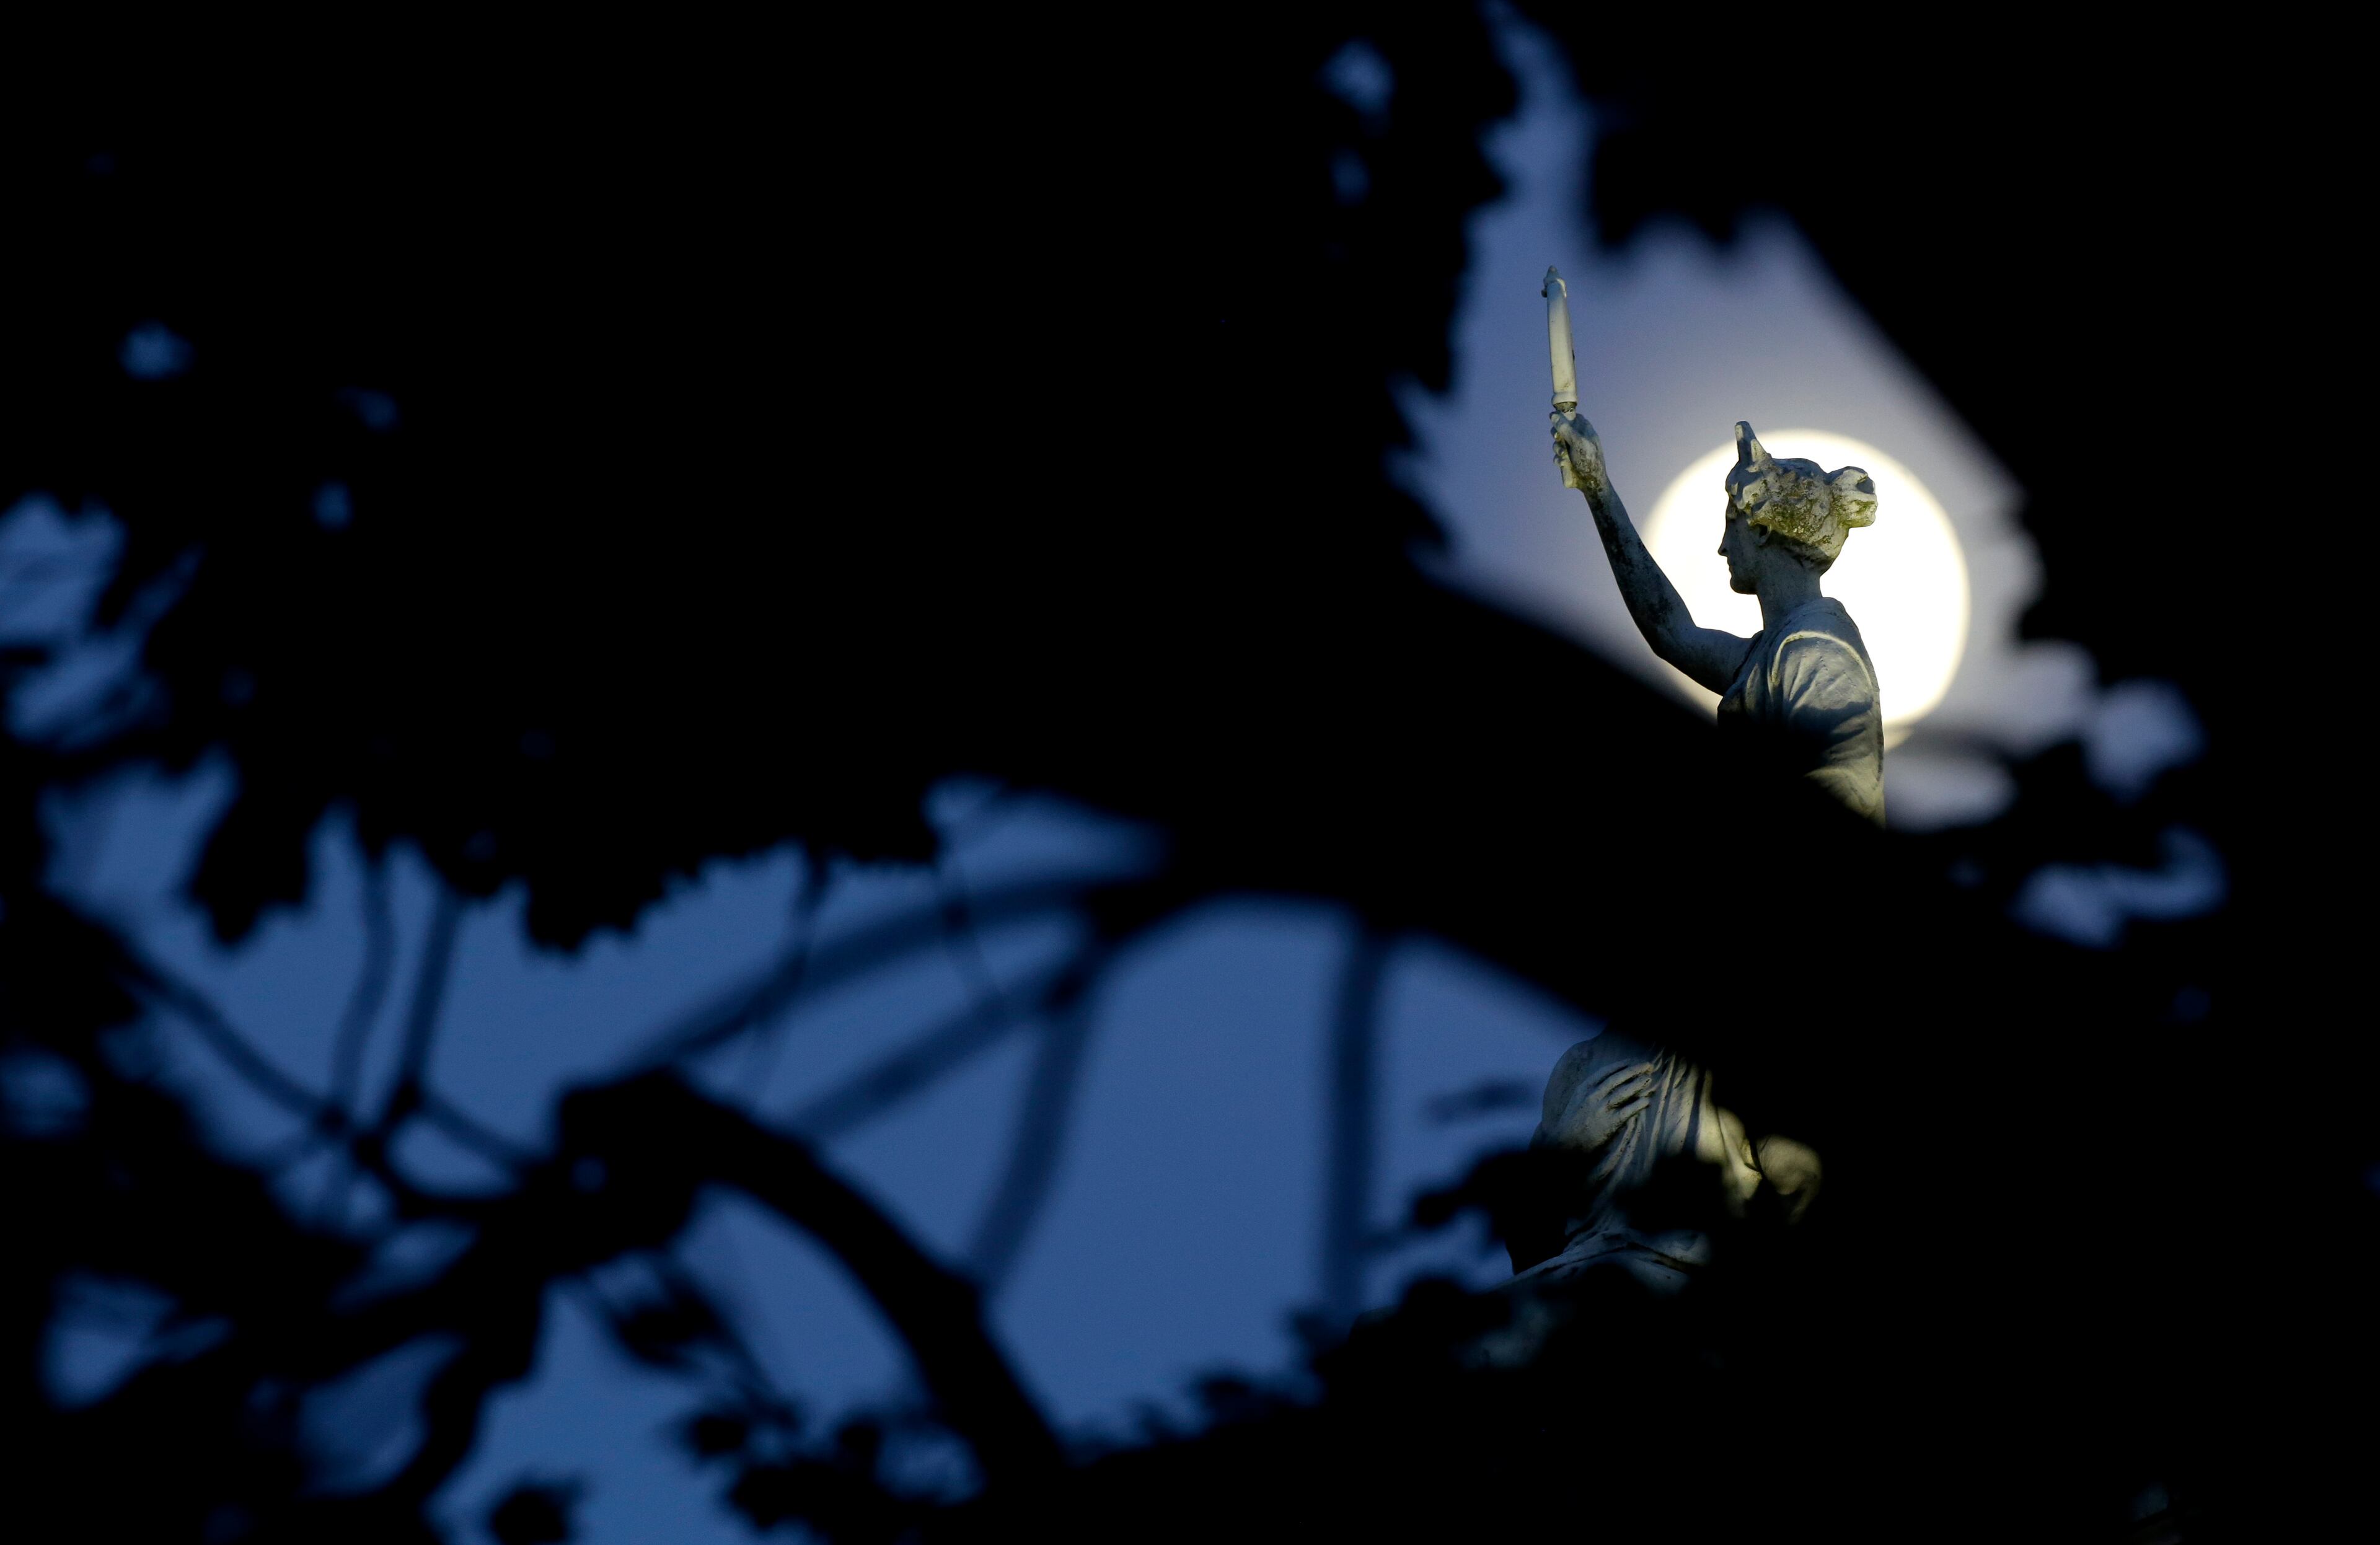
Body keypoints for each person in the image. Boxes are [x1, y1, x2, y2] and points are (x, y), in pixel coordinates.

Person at [1551, 413, 1885, 824]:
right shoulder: (1773, 650)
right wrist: (1597, 488)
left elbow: (1844, 796)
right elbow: (1672, 630)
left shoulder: (1817, 649)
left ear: (1763, 531)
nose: (1723, 547)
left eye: (1732, 524)